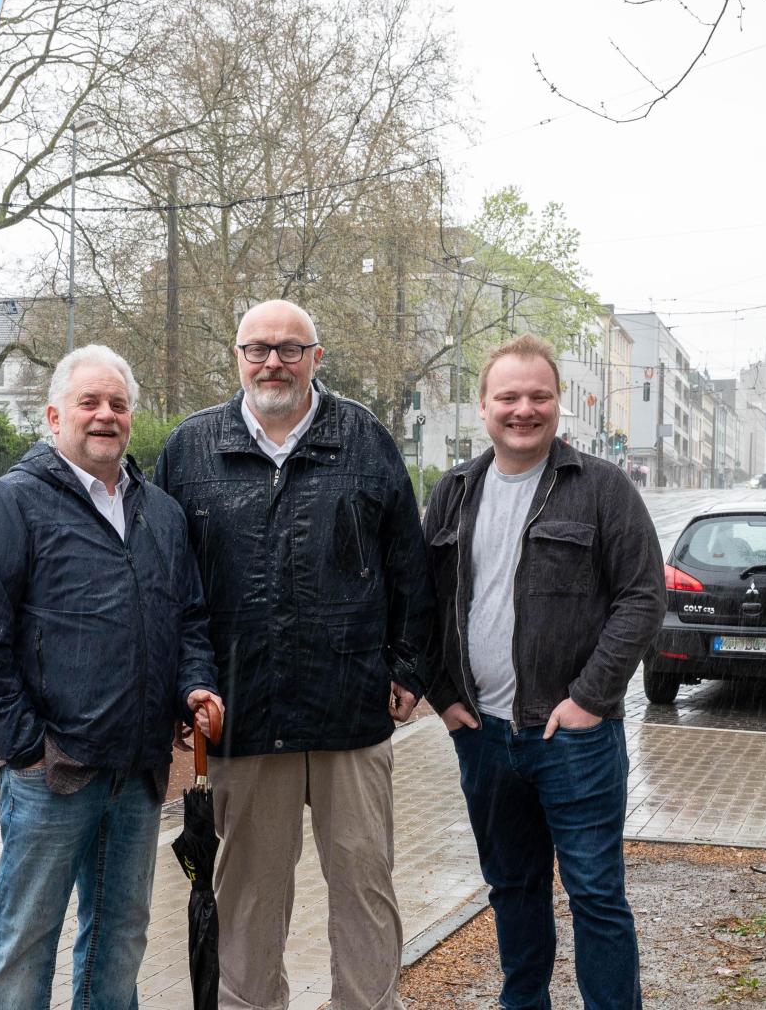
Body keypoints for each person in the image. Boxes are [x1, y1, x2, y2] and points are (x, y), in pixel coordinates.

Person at [154, 299, 434, 1010]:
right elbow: (166, 588)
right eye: (257, 349)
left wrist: (408, 667)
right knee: (245, 898)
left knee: (366, 890)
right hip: (241, 719)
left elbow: (411, 570)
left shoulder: (366, 441)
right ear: (237, 357)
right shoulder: (190, 452)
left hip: (351, 717)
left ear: (316, 356)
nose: (271, 362)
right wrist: (181, 691)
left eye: (288, 348)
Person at [0, 345, 224, 1010]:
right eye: (89, 403)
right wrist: (26, 748)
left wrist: (195, 685)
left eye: (117, 405)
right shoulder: (11, 503)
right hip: (55, 772)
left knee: (119, 942)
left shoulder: (161, 513)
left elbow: (187, 619)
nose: (105, 416)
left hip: (137, 771)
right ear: (53, 416)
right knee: (25, 945)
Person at [421, 334, 665, 1010]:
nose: (523, 409)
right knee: (513, 889)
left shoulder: (602, 488)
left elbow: (643, 596)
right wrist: (443, 697)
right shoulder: (455, 492)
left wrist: (590, 698)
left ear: (559, 405)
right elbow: (420, 601)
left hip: (574, 738)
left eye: (538, 396)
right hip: (484, 736)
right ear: (483, 406)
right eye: (509, 396)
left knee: (594, 894)